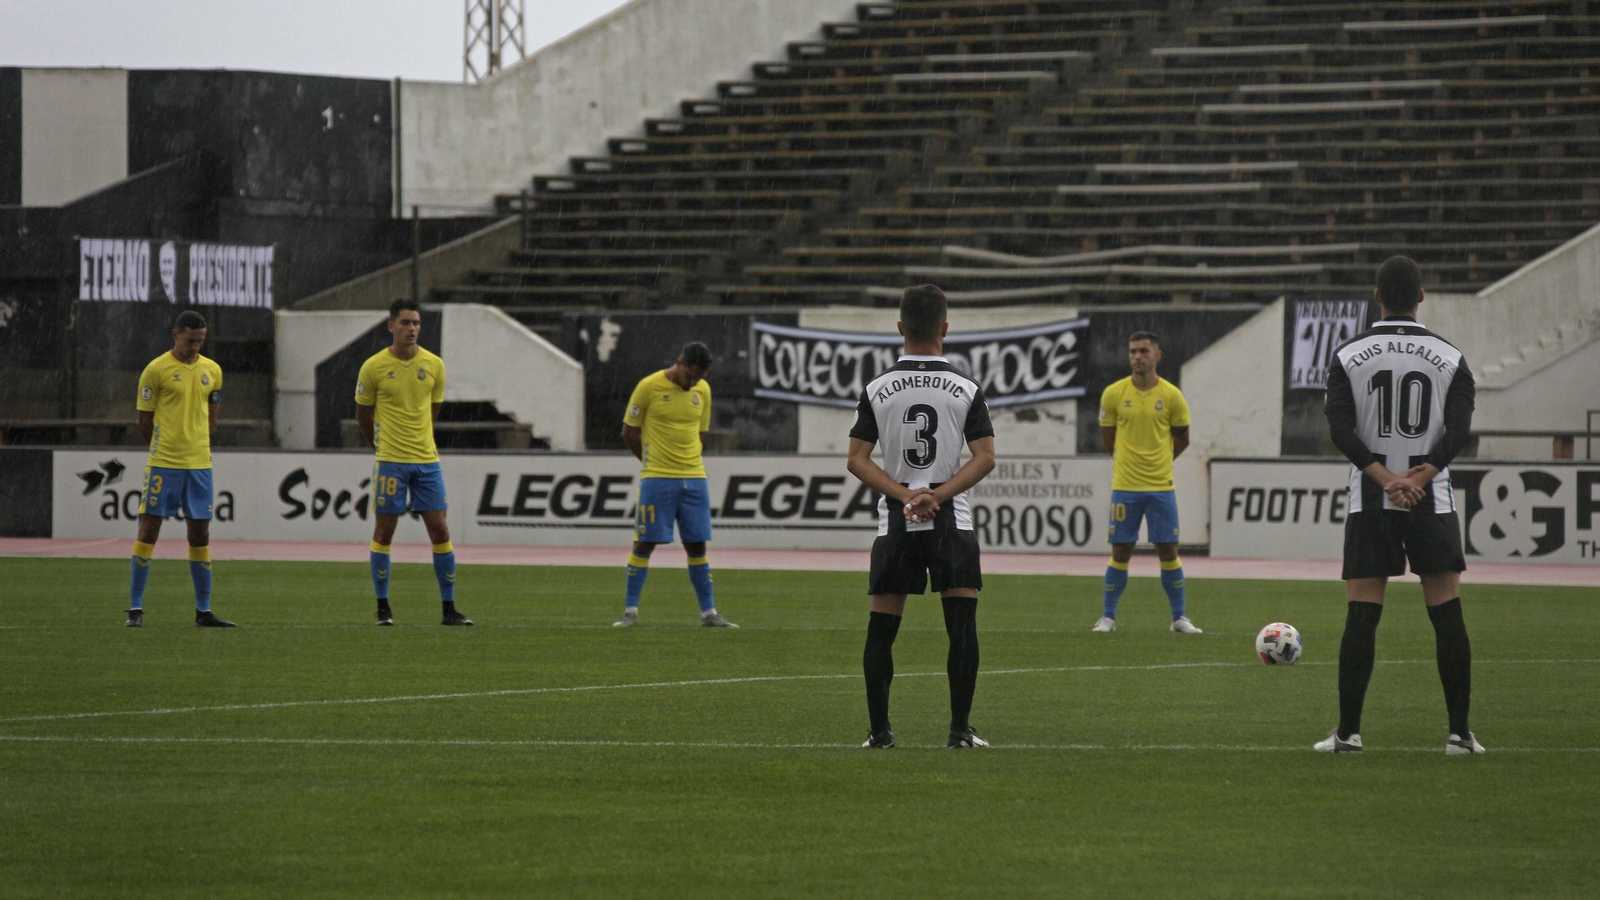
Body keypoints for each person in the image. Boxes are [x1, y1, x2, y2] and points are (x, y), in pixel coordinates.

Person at [1316, 256, 1481, 755]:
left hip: (1372, 496)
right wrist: (1422, 475)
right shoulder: (1450, 356)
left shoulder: (1349, 354)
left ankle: (1348, 733)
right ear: (1422, 296)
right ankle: (1458, 734)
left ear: (1376, 295)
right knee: (1446, 612)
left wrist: (1385, 478)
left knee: (1363, 614)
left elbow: (1340, 428)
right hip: (1430, 497)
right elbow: (1459, 429)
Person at [846, 284, 997, 749]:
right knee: (961, 627)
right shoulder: (966, 388)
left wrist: (907, 496)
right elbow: (985, 457)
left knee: (882, 628)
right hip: (952, 521)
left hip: (896, 522)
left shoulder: (877, 388)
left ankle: (880, 732)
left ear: (900, 329)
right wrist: (937, 495)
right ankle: (958, 731)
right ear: (944, 329)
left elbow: (857, 458)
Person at [355, 298, 472, 626]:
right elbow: (363, 415)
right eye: (405, 323)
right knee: (384, 531)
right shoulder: (373, 367)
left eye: (416, 323)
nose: (412, 329)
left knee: (440, 529)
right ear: (390, 326)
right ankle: (383, 608)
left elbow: (432, 411)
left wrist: (421, 440)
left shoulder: (434, 365)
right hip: (391, 461)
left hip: (427, 461)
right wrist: (380, 448)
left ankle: (449, 609)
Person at [614, 342, 736, 628]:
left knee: (697, 545)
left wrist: (688, 462)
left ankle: (709, 614)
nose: (693, 382)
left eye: (699, 378)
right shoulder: (648, 386)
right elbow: (628, 431)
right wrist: (649, 461)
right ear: (679, 362)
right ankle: (630, 612)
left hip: (694, 478)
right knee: (644, 543)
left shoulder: (702, 390)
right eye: (690, 375)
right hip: (657, 477)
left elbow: (699, 433)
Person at [125, 310, 234, 627]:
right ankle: (135, 609)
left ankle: (204, 611)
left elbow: (213, 417)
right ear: (176, 334)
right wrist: (164, 448)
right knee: (149, 529)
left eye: (200, 340)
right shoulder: (156, 370)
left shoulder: (211, 370)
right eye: (190, 340)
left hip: (200, 465)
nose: (196, 346)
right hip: (165, 464)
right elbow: (144, 422)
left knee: (200, 533)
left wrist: (196, 442)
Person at [1092, 332, 1200, 634]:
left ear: (1157, 356)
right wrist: (1129, 462)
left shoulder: (1172, 396)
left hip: (1160, 487)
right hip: (1125, 486)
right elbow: (1108, 439)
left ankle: (1179, 618)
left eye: (1143, 351)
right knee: (1121, 551)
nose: (1137, 357)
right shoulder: (1113, 394)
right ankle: (1108, 617)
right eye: (1132, 351)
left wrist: (1160, 460)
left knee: (1168, 550)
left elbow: (1183, 439)